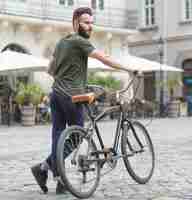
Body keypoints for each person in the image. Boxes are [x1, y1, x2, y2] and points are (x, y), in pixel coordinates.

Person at [30, 7, 134, 195]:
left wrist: (71, 76)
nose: (90, 26)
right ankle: (46, 167)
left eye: (91, 23)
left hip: (56, 94)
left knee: (58, 136)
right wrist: (128, 69)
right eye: (86, 22)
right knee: (78, 136)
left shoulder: (63, 42)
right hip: (72, 96)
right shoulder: (79, 41)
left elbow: (50, 70)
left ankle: (56, 177)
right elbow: (104, 58)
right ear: (76, 22)